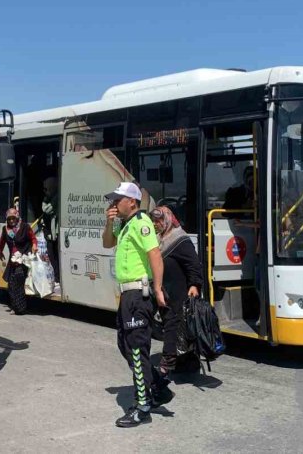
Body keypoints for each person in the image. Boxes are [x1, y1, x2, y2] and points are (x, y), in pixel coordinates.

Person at [102, 182, 169, 428]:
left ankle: (143, 406)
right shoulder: (125, 223)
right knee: (125, 345)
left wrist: (158, 289)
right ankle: (157, 386)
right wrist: (109, 222)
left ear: (132, 201)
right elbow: (107, 243)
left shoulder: (141, 222)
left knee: (137, 350)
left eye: (118, 199)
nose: (113, 203)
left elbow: (155, 256)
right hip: (126, 296)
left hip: (137, 295)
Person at [150, 206, 204, 376]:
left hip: (180, 292)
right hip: (166, 290)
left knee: (174, 325)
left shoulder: (180, 240)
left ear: (167, 219)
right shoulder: (159, 239)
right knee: (174, 327)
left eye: (158, 220)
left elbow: (194, 265)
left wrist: (195, 285)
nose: (155, 224)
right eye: (153, 220)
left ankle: (168, 362)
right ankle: (187, 362)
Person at [0, 208, 38, 315]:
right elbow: (2, 242)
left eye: (13, 218)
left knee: (18, 280)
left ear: (17, 217)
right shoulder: (5, 229)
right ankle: (15, 306)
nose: (11, 221)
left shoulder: (25, 227)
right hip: (13, 260)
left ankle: (20, 308)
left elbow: (33, 238)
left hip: (24, 259)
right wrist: (0, 251)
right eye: (9, 219)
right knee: (11, 285)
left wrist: (34, 245)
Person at [40, 177, 60, 286]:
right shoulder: (47, 199)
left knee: (56, 255)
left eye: (47, 188)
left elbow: (47, 210)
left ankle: (58, 278)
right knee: (51, 256)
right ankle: (56, 278)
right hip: (49, 234)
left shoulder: (56, 199)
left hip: (56, 234)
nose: (45, 191)